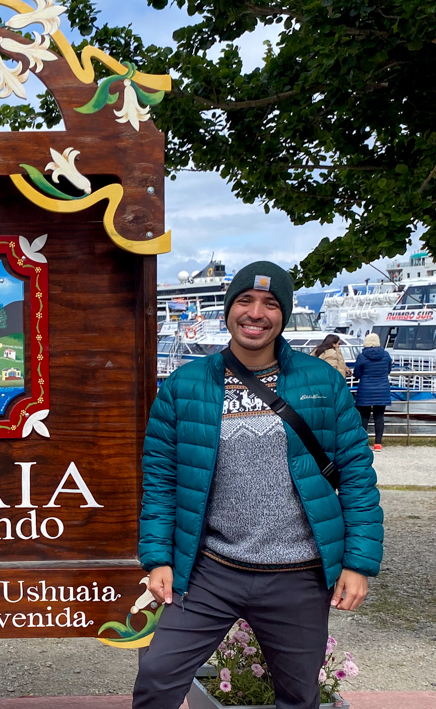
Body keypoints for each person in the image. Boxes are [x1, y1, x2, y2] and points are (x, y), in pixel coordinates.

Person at [135, 261, 383, 709]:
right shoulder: (184, 385)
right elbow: (161, 481)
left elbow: (358, 479)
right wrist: (157, 558)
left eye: (271, 304)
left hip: (299, 576)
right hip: (211, 570)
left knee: (298, 694)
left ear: (284, 315)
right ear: (229, 309)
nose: (256, 313)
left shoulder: (321, 382)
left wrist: (358, 564)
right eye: (245, 300)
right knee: (156, 677)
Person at [353, 332, 393, 450]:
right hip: (382, 389)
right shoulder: (386, 355)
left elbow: (357, 373)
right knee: (379, 416)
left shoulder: (362, 356)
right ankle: (378, 443)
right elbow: (388, 370)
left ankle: (363, 442)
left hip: (365, 389)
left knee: (364, 416)